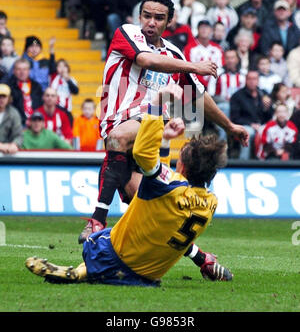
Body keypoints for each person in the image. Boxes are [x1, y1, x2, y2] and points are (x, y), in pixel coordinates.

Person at [78, 0, 248, 242]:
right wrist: (193, 66)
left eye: (159, 18)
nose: (151, 22)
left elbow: (197, 96)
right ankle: (203, 259)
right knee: (148, 208)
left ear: (169, 22)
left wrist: (230, 125)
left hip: (151, 126)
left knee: (118, 139)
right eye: (147, 16)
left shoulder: (174, 55)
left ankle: (97, 220)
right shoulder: (127, 33)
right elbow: (146, 60)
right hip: (119, 120)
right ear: (140, 16)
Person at [26, 84, 233, 285]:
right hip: (147, 276)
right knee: (162, 226)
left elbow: (143, 153)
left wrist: (156, 103)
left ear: (184, 166)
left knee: (105, 229)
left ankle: (82, 270)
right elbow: (167, 175)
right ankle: (203, 260)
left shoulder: (166, 185)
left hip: (110, 255)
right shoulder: (210, 203)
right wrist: (166, 140)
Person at [230, 70, 273, 159]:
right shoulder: (237, 96)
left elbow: (270, 116)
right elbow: (235, 118)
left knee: (273, 132)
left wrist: (267, 108)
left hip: (262, 125)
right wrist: (251, 124)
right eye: (249, 79)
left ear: (258, 81)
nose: (252, 81)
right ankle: (243, 162)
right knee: (248, 133)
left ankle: (270, 163)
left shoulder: (264, 94)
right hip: (245, 126)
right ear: (245, 80)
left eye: (254, 79)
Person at [184, 19, 224, 95]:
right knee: (187, 91)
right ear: (197, 30)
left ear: (211, 31)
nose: (204, 30)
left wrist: (211, 83)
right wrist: (204, 83)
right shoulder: (189, 48)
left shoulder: (217, 48)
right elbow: (188, 68)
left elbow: (221, 68)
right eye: (202, 28)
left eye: (207, 28)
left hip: (214, 85)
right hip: (194, 84)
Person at [7, 58, 43, 126]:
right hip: (17, 123)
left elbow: (40, 105)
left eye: (25, 69)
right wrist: (24, 121)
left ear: (29, 71)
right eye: (19, 69)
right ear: (14, 71)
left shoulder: (36, 86)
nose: (22, 72)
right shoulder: (9, 87)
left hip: (36, 122)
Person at [0, 84, 23, 154]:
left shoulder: (14, 113)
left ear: (9, 98)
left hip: (7, 155)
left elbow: (18, 135)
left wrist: (15, 144)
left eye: (4, 96)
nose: (1, 99)